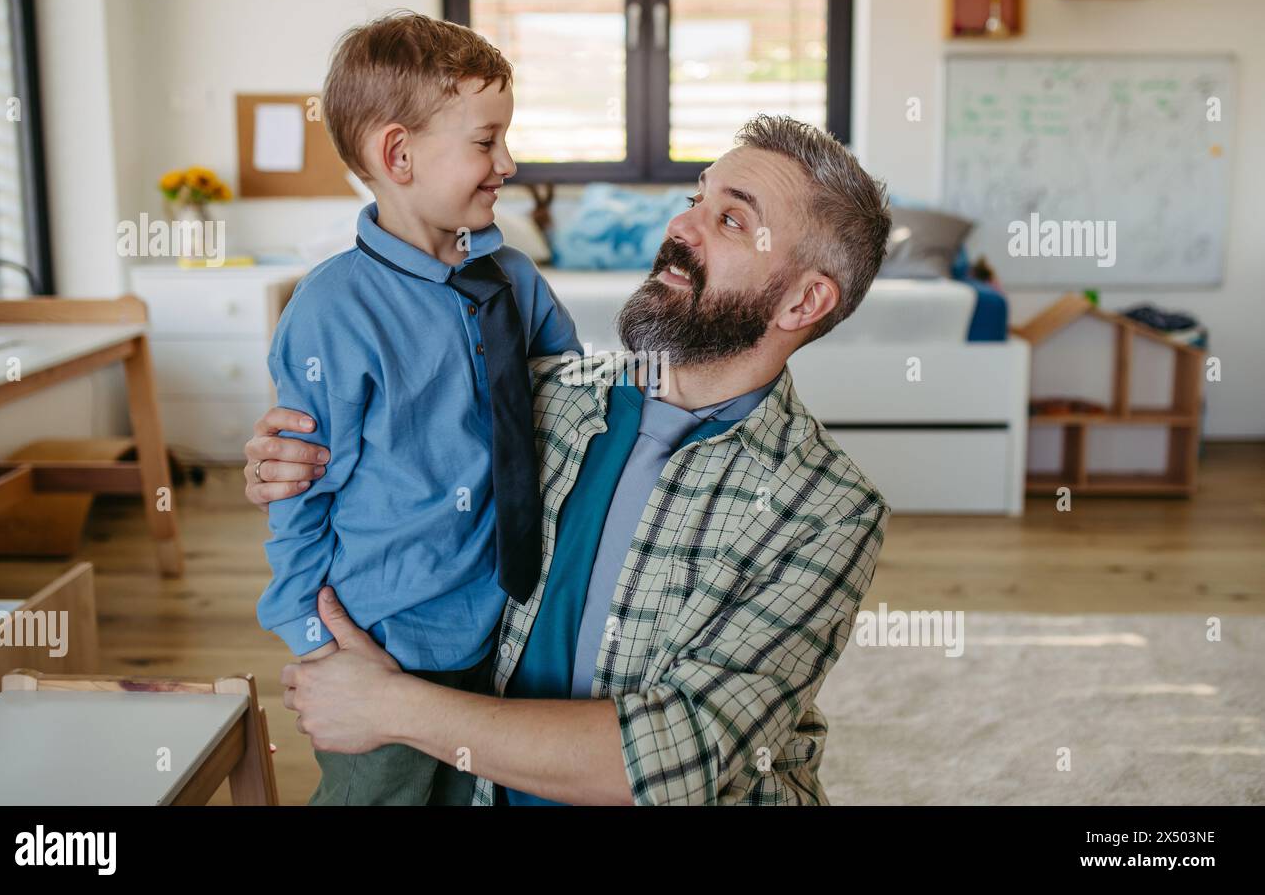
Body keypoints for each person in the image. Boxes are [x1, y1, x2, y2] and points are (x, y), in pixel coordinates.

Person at [248, 113, 893, 805]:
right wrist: (295, 461)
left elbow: (682, 755)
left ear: (804, 299)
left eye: (732, 221)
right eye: (694, 201)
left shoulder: (828, 510)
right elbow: (384, 467)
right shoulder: (537, 394)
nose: (681, 229)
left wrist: (390, 707)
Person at [256, 10, 578, 805]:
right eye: (484, 141)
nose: (508, 161)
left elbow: (576, 395)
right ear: (398, 154)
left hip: (504, 617)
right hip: (384, 638)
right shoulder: (333, 311)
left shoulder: (516, 280)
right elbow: (300, 489)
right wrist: (318, 641)